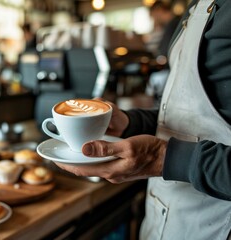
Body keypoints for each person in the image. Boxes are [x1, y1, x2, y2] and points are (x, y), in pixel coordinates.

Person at [55, 0, 231, 239]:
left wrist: (163, 157)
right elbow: (187, 112)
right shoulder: (196, 6)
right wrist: (130, 122)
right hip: (165, 216)